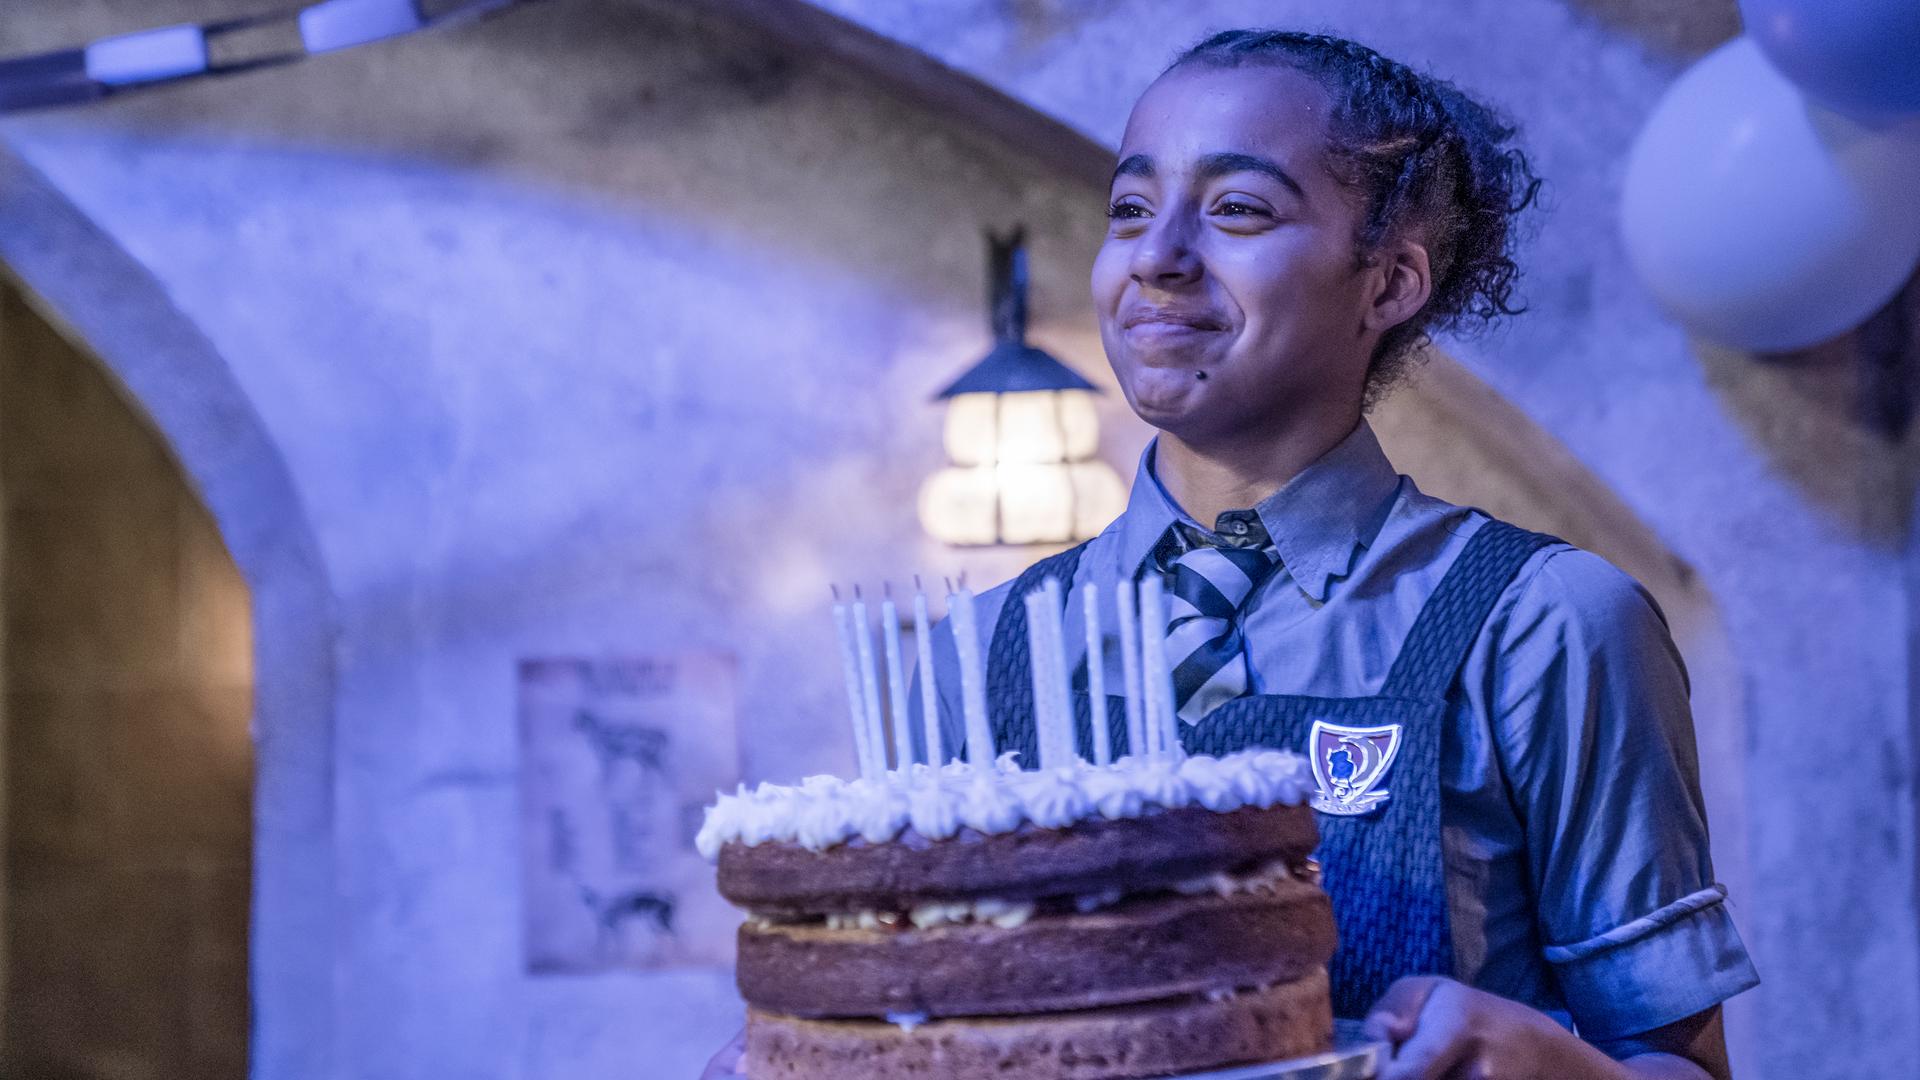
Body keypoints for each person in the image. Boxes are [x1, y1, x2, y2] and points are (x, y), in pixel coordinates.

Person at [706, 27, 1757, 1080]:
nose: (1156, 257)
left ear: (1388, 284)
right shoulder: (983, 654)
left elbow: (1684, 1068)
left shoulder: (1547, 625)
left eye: (1237, 210)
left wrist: (1551, 1070)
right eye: (1129, 209)